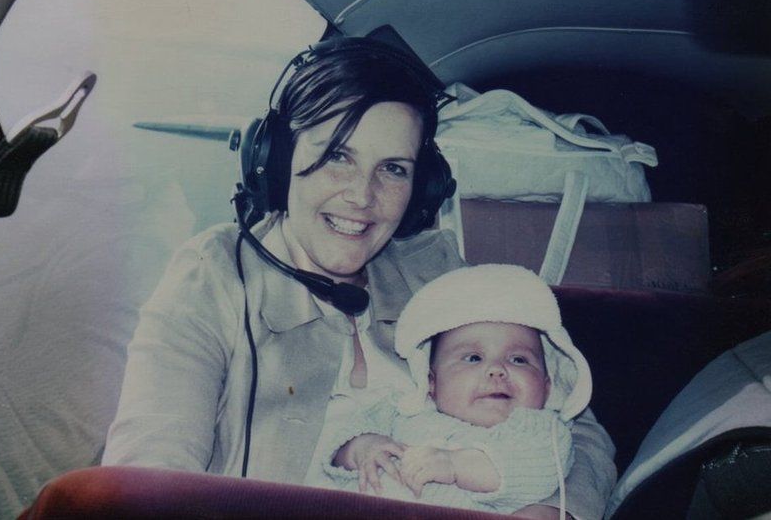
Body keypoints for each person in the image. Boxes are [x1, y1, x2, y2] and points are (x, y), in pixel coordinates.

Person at [101, 37, 616, 519]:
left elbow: (578, 427)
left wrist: (551, 510)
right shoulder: (213, 274)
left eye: (392, 169)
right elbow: (150, 468)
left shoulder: (435, 271)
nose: (361, 197)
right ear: (278, 159)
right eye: (336, 156)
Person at [308, 264, 593, 516]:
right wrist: (360, 447)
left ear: (547, 386)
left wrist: (456, 466)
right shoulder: (406, 410)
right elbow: (345, 431)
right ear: (431, 383)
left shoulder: (540, 429)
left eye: (519, 359)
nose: (497, 370)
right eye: (473, 358)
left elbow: (538, 471)